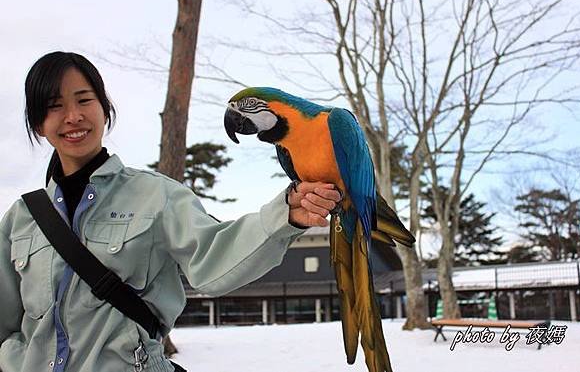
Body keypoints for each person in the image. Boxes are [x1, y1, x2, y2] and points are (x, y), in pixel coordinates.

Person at [0, 51, 341, 372]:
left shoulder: (157, 196)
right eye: (55, 106)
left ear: (105, 109)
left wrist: (285, 214)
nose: (73, 116)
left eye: (84, 100)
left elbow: (214, 258)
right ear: (38, 123)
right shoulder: (20, 218)